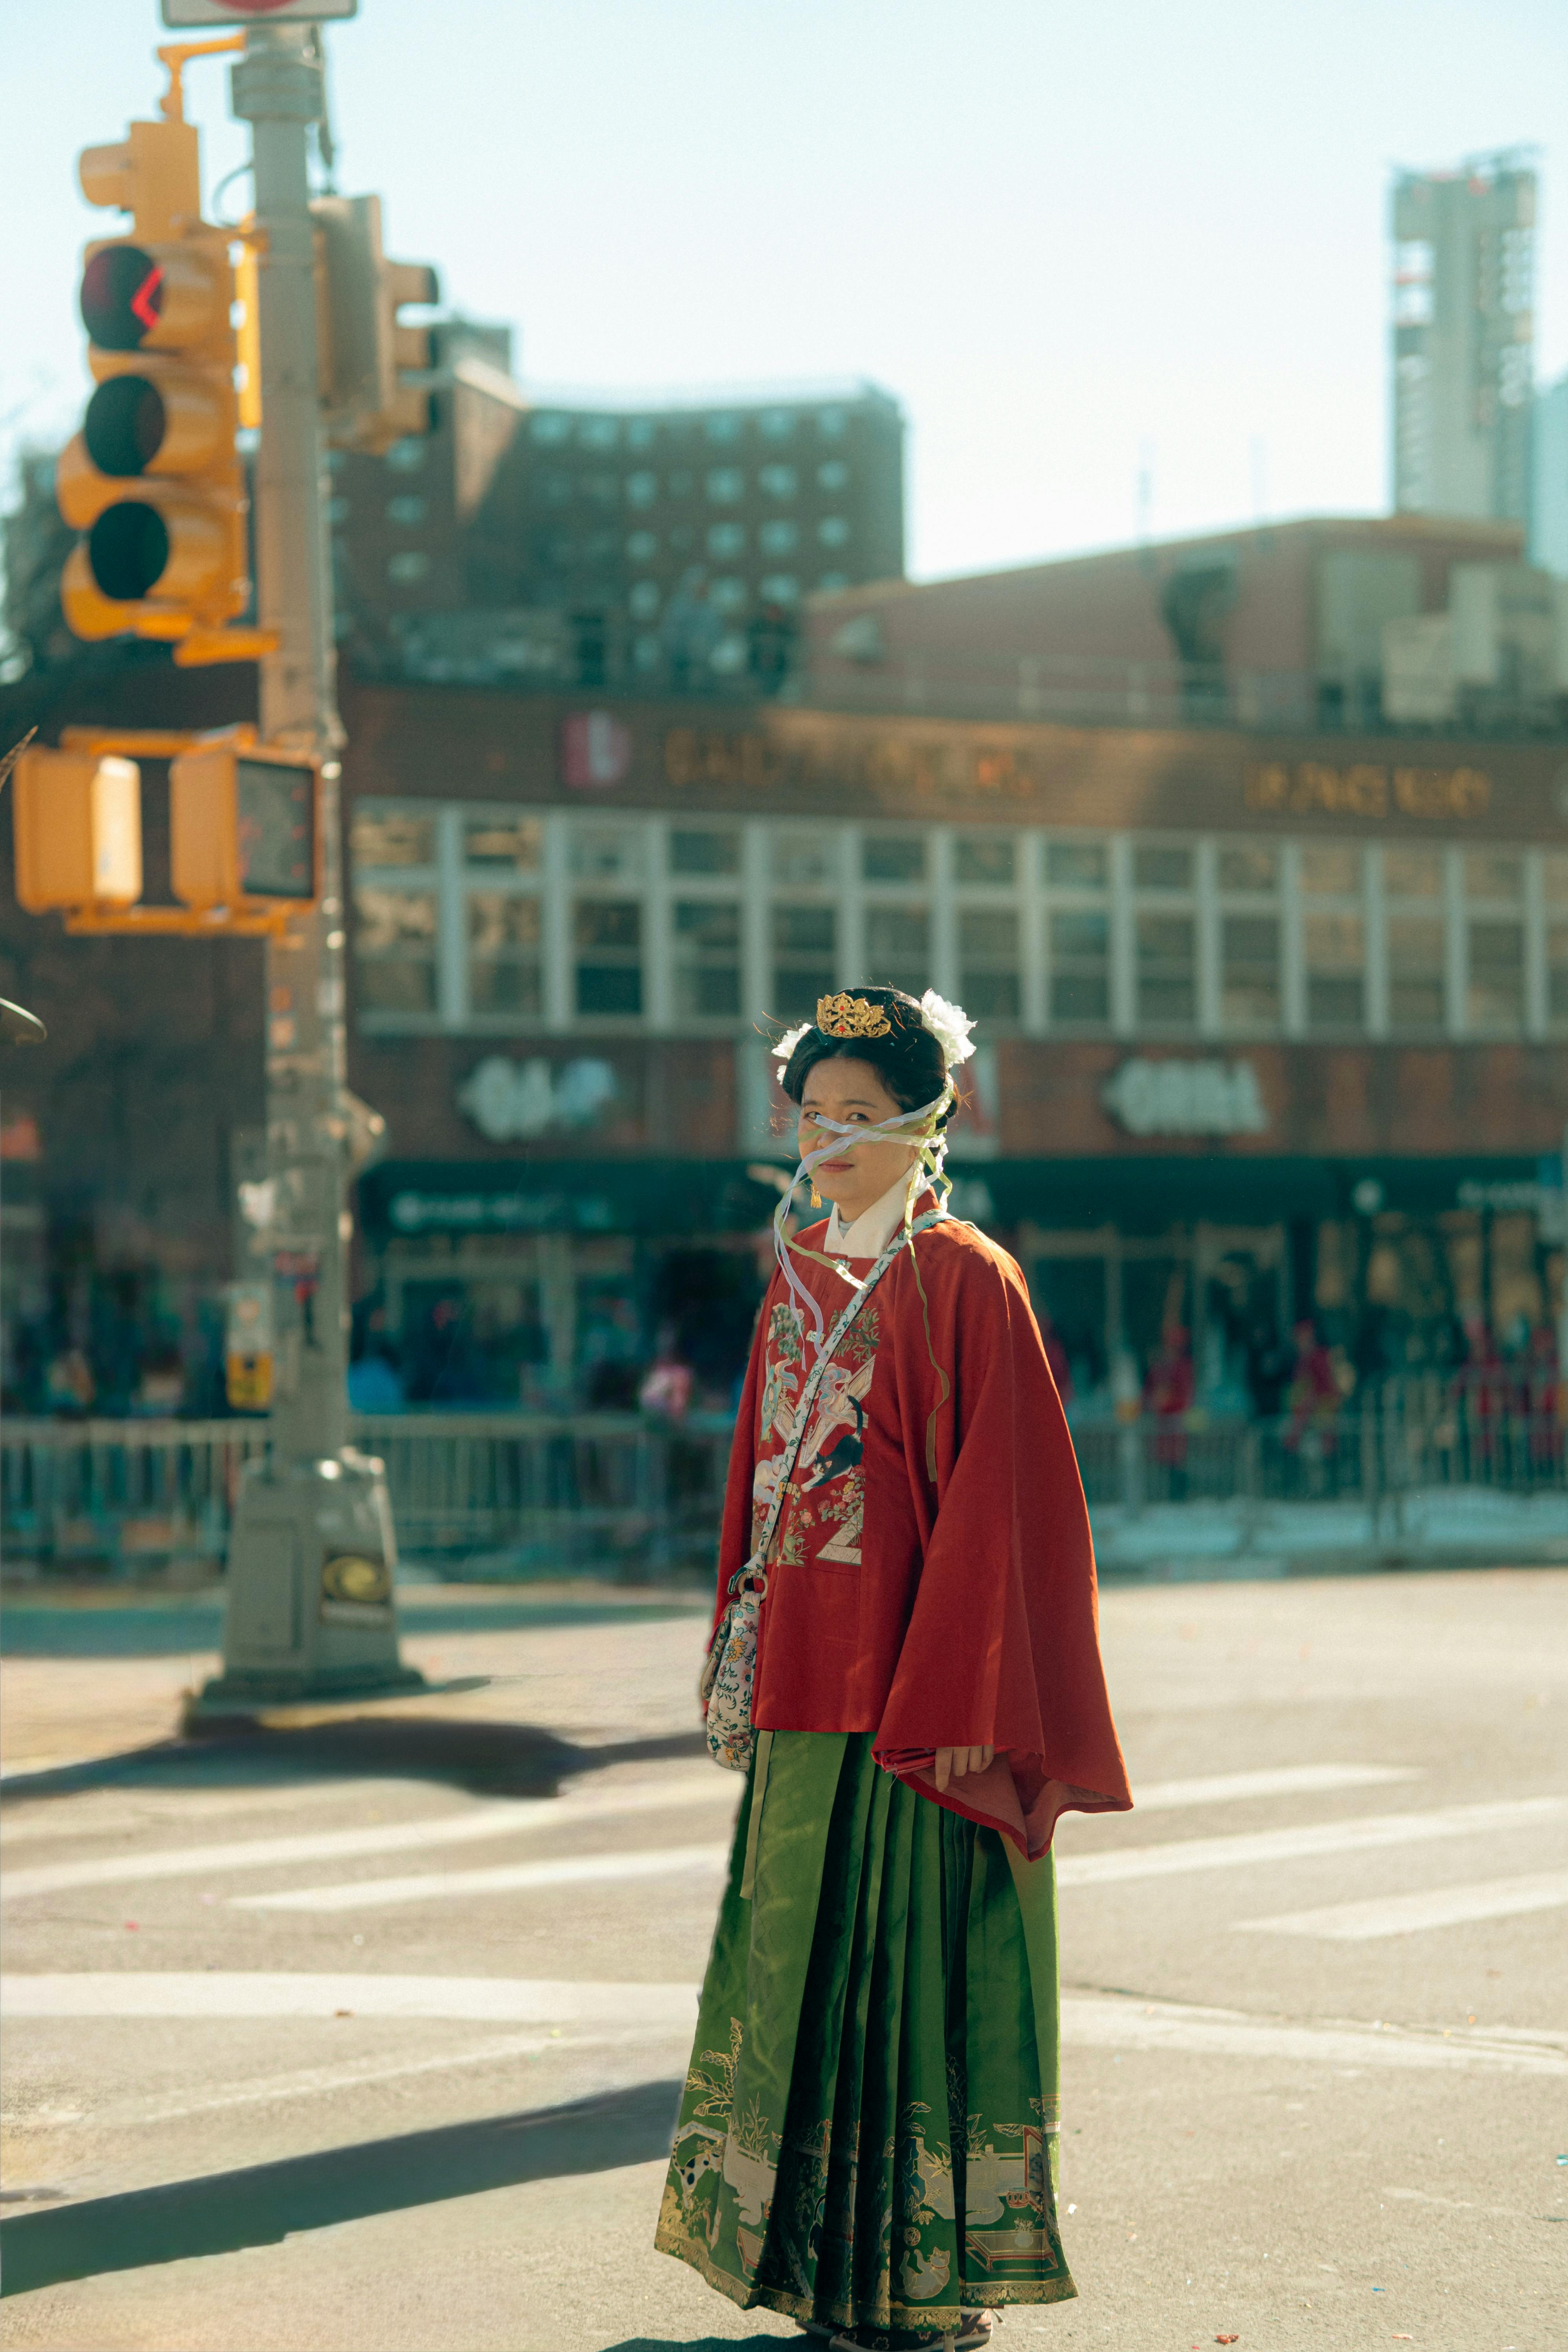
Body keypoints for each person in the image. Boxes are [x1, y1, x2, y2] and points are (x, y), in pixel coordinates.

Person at [656, 985, 1131, 2347]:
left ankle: (923, 2284)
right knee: (793, 1973)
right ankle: (811, 2266)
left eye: (859, 1117)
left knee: (903, 1978)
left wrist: (970, 1690)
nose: (831, 1140)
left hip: (918, 1696)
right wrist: (734, 1650)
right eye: (813, 1115)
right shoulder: (798, 1275)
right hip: (808, 1680)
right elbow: (761, 1486)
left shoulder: (968, 1278)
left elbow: (1011, 1507)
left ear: (931, 1123)